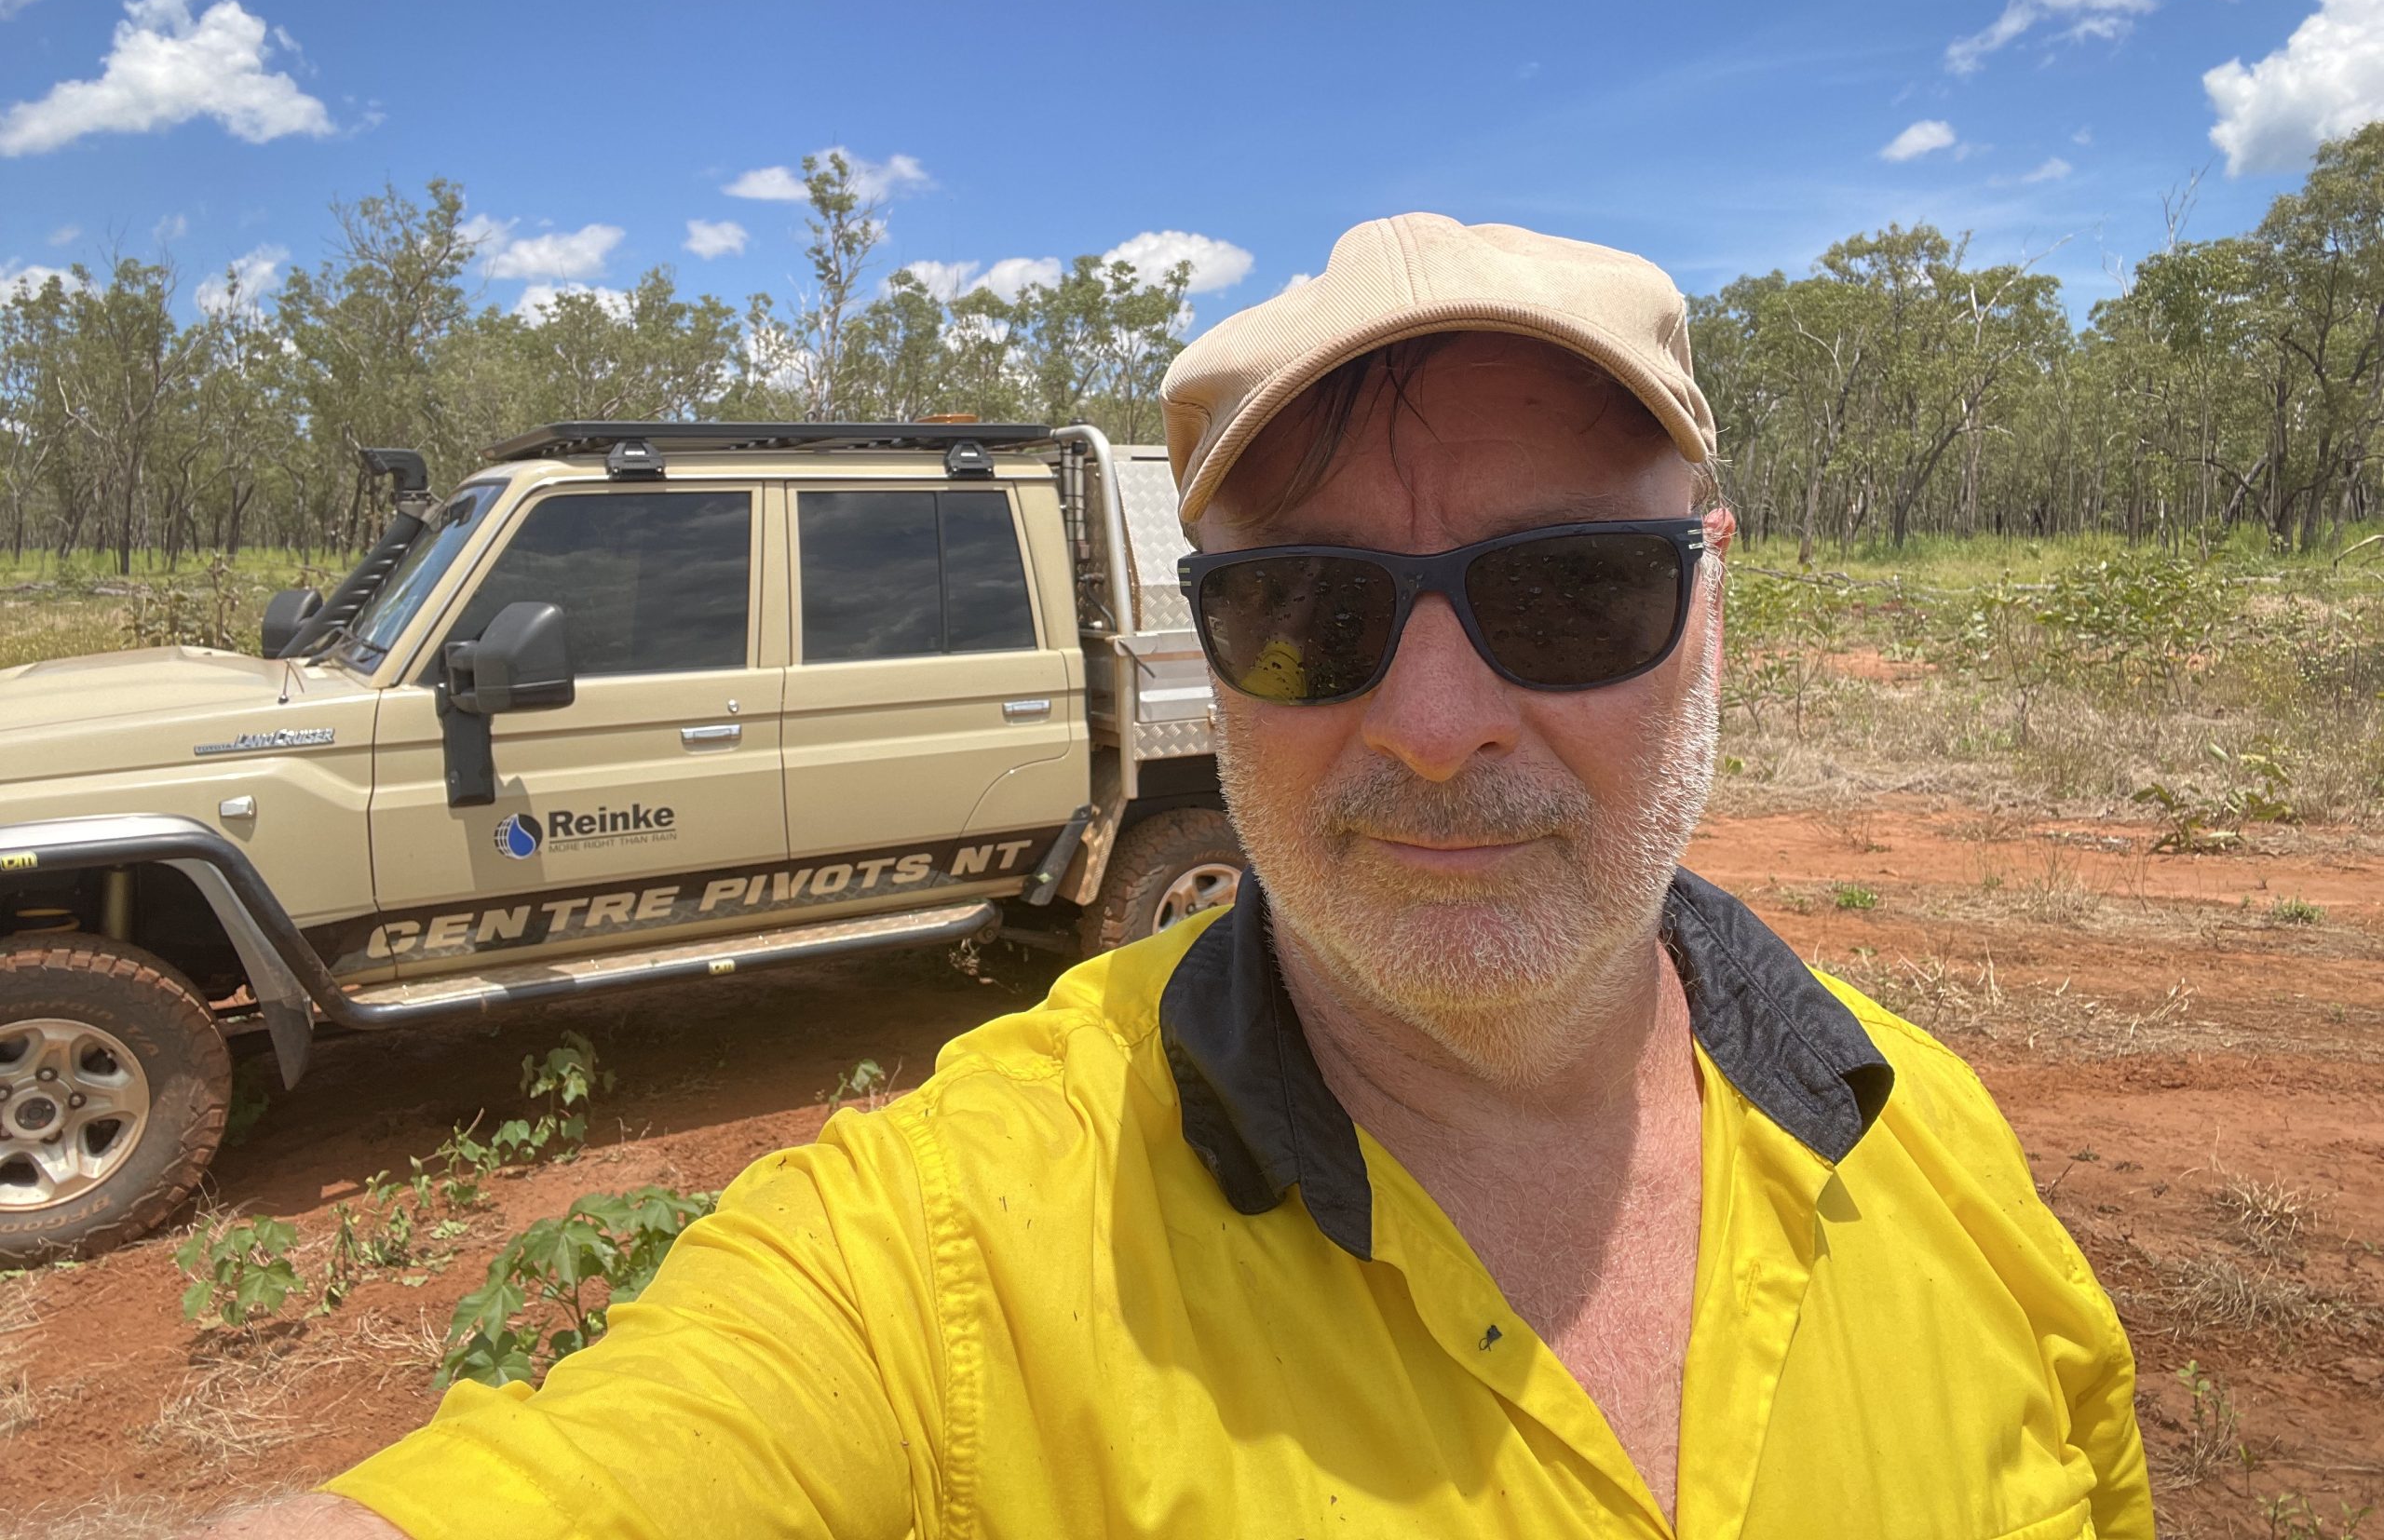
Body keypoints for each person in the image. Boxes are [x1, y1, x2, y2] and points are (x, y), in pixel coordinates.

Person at [203, 215, 2152, 1539]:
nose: (1432, 721)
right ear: (1214, 653)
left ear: (1712, 604)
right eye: (1307, 610)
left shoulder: (1938, 1147)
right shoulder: (954, 1253)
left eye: (1571, 588)